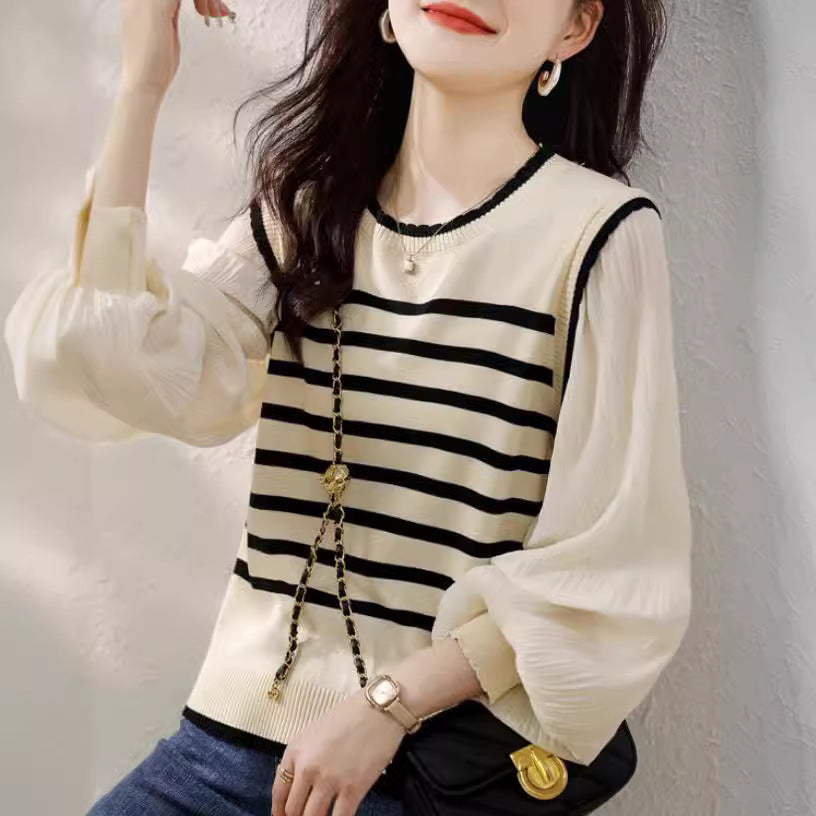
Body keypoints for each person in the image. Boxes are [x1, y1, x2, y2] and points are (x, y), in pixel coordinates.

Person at [3, 1, 693, 815]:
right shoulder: (307, 211)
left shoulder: (598, 233)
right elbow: (113, 358)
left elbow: (614, 567)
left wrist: (388, 707)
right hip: (223, 744)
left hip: (414, 770)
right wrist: (142, 83)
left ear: (574, 29)